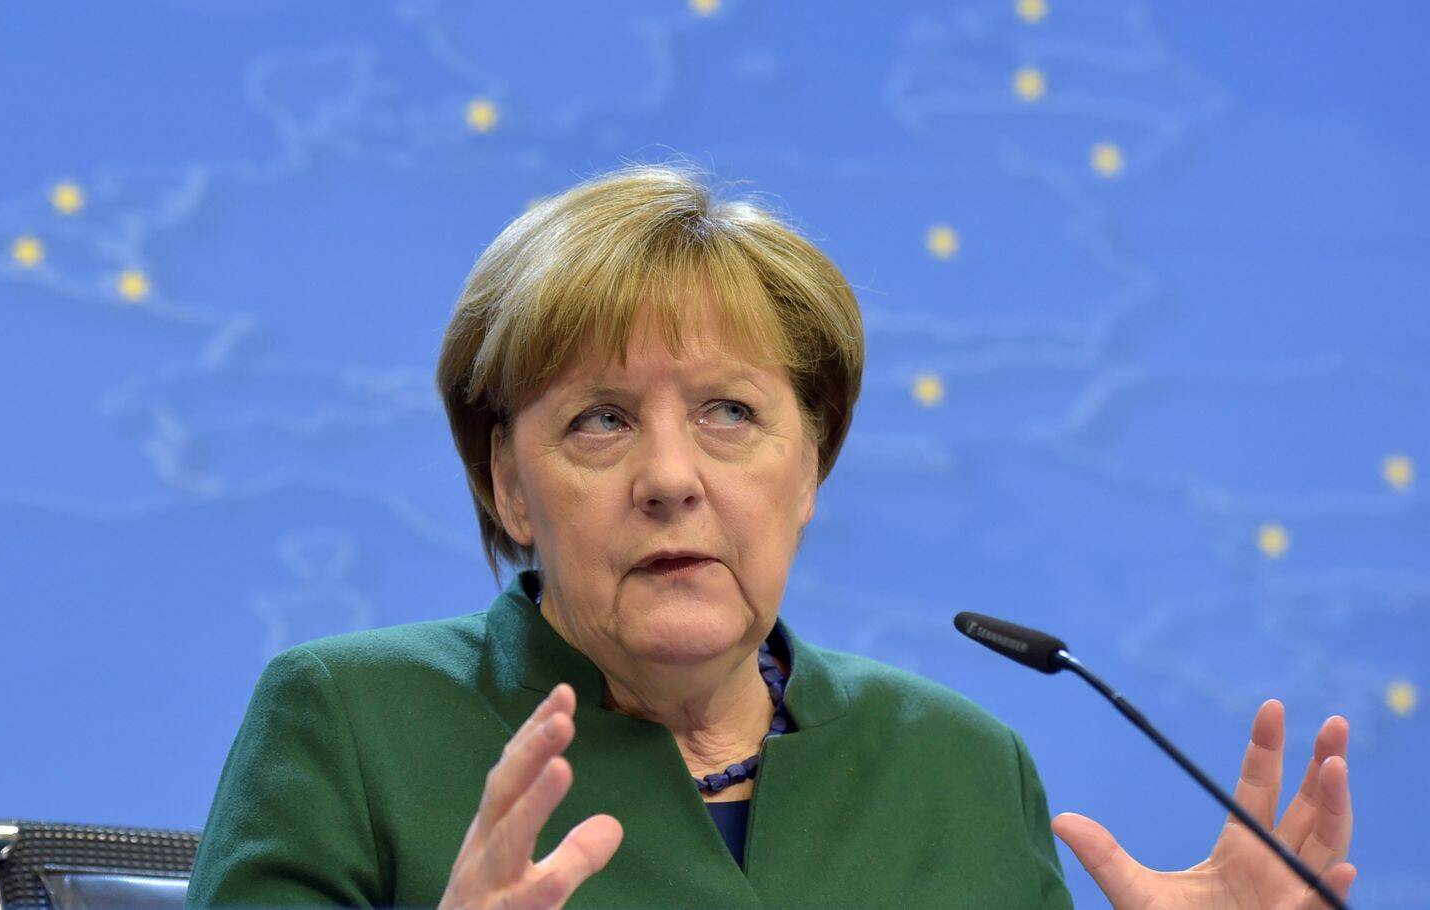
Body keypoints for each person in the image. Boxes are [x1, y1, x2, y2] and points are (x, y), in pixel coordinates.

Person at [185, 162, 1356, 909]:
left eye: (730, 413)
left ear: (812, 464)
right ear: (509, 482)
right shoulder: (351, 722)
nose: (670, 478)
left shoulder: (955, 765)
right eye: (600, 421)